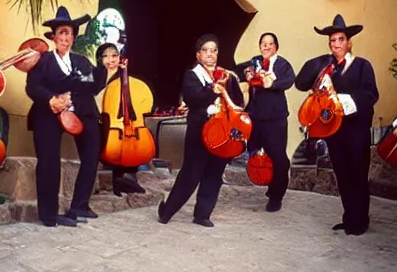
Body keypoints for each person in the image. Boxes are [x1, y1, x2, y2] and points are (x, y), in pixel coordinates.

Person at [295, 14, 379, 236]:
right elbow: (302, 82)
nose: (337, 44)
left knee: (358, 175)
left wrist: (338, 99)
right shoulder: (327, 68)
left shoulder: (362, 65)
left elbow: (370, 94)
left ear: (349, 42)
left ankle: (360, 221)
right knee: (342, 175)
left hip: (356, 131)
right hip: (334, 131)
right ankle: (348, 217)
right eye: (333, 41)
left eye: (341, 40)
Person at [26, 6, 104, 228]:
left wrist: (105, 68)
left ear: (74, 36)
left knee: (92, 151)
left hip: (77, 113)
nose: (66, 38)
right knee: (49, 162)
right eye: (61, 33)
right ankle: (49, 215)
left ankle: (79, 204)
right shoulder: (42, 61)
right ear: (53, 36)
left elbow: (91, 88)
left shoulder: (81, 62)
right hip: (47, 114)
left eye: (69, 33)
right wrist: (51, 99)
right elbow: (32, 87)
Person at [157, 33, 244, 227]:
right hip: (200, 130)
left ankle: (203, 214)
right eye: (205, 50)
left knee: (215, 172)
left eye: (213, 50)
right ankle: (167, 211)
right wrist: (210, 90)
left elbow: (239, 101)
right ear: (198, 55)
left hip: (223, 131)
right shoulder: (192, 75)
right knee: (191, 172)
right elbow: (193, 99)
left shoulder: (227, 76)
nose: (210, 54)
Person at [236, 32, 296, 212]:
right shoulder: (255, 61)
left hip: (276, 119)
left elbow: (290, 80)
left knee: (279, 158)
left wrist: (272, 83)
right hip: (256, 117)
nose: (266, 46)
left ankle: (276, 196)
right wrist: (247, 73)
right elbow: (238, 70)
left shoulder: (283, 64)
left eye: (270, 43)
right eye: (263, 43)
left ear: (276, 46)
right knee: (254, 152)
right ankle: (265, 180)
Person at [94, 42, 146, 196]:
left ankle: (128, 178)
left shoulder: (124, 75)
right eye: (106, 56)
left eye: (114, 55)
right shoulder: (96, 75)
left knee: (127, 144)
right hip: (98, 118)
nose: (111, 60)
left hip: (118, 120)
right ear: (99, 59)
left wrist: (125, 75)